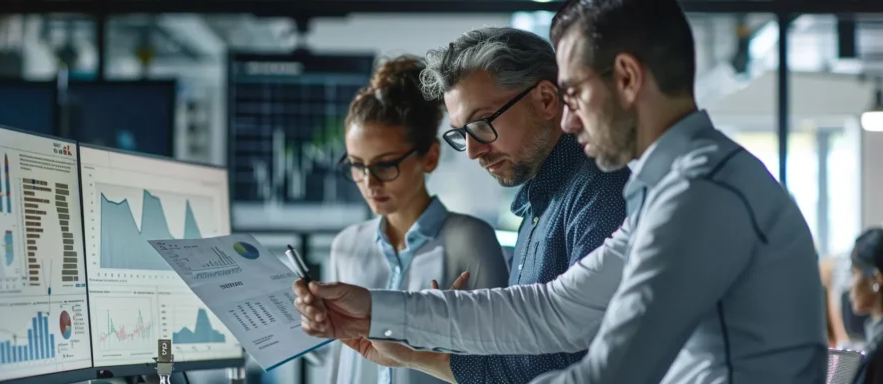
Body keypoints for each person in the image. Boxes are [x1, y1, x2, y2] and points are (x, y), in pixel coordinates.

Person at [292, 0, 827, 382]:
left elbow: (607, 371)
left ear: (626, 79)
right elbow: (552, 310)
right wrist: (376, 310)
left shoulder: (701, 195)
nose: (568, 120)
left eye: (572, 93)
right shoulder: (670, 188)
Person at [346, 27, 631, 383]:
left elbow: (571, 363)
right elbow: (520, 363)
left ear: (545, 99)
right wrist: (430, 343)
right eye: (461, 133)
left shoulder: (600, 193)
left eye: (481, 124)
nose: (472, 150)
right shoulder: (537, 208)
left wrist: (433, 336)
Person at [320, 55, 510, 384]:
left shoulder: (471, 241)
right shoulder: (345, 246)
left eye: (384, 165)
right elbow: (338, 363)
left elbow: (498, 365)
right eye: (356, 165)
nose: (369, 182)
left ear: (430, 157)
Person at [849, 228, 883, 383]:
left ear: (876, 279)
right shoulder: (874, 344)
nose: (850, 285)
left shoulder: (878, 358)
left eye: (854, 273)